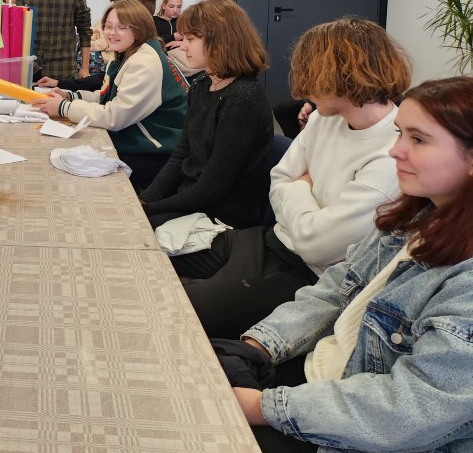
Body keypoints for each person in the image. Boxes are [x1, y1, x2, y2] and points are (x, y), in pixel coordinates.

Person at [230, 76, 473, 453]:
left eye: (418, 139)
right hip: (324, 385)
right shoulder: (412, 217)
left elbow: (406, 409)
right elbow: (336, 289)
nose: (395, 151)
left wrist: (263, 407)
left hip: (358, 424)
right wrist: (261, 345)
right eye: (400, 133)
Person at [173, 17, 412, 338]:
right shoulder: (326, 117)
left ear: (341, 75)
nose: (303, 88)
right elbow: (280, 177)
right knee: (153, 254)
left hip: (303, 272)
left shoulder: (392, 155)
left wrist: (299, 186)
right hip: (268, 240)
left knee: (174, 311)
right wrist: (302, 193)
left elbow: (317, 247)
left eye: (311, 73)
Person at [139, 0, 273, 229]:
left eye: (191, 39)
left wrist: (150, 209)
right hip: (195, 201)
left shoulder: (241, 100)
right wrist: (145, 200)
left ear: (221, 41)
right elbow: (182, 154)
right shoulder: (202, 86)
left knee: (137, 230)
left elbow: (213, 186)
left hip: (223, 215)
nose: (183, 46)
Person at [34, 0, 189, 193]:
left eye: (121, 27)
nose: (111, 33)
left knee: (74, 176)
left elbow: (115, 116)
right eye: (108, 26)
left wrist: (63, 108)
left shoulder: (144, 62)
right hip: (141, 143)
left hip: (156, 155)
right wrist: (70, 97)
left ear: (140, 28)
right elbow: (105, 97)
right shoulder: (127, 54)